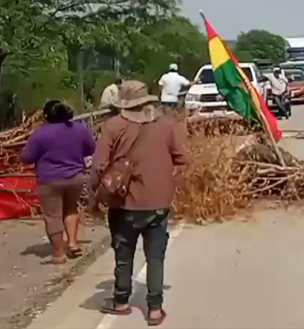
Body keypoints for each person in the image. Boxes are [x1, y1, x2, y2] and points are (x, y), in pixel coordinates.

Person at [90, 80, 188, 325]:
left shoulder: (112, 126)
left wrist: (95, 194)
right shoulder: (167, 125)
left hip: (122, 203)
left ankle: (121, 301)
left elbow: (99, 166)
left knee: (124, 255)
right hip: (158, 202)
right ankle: (154, 309)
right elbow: (182, 158)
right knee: (155, 256)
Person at [20, 100, 96, 264]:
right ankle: (73, 243)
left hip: (49, 180)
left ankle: (59, 253)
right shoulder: (79, 129)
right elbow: (91, 148)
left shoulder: (41, 133)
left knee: (53, 216)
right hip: (75, 177)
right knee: (71, 209)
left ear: (46, 116)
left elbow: (26, 158)